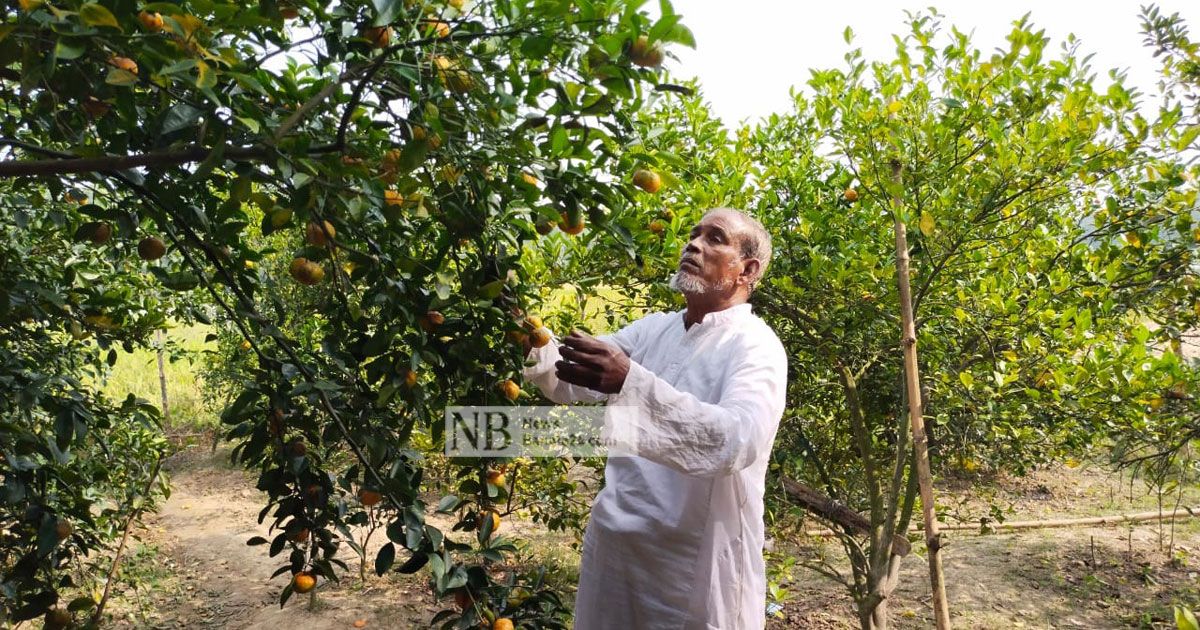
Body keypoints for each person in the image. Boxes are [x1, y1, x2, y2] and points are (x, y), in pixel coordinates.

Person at [522, 208, 788, 629]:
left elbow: (736, 442)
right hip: (616, 552)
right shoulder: (656, 330)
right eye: (694, 233)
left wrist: (630, 382)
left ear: (747, 269)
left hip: (691, 569)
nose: (694, 244)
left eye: (715, 238)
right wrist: (526, 334)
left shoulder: (755, 346)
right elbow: (568, 378)